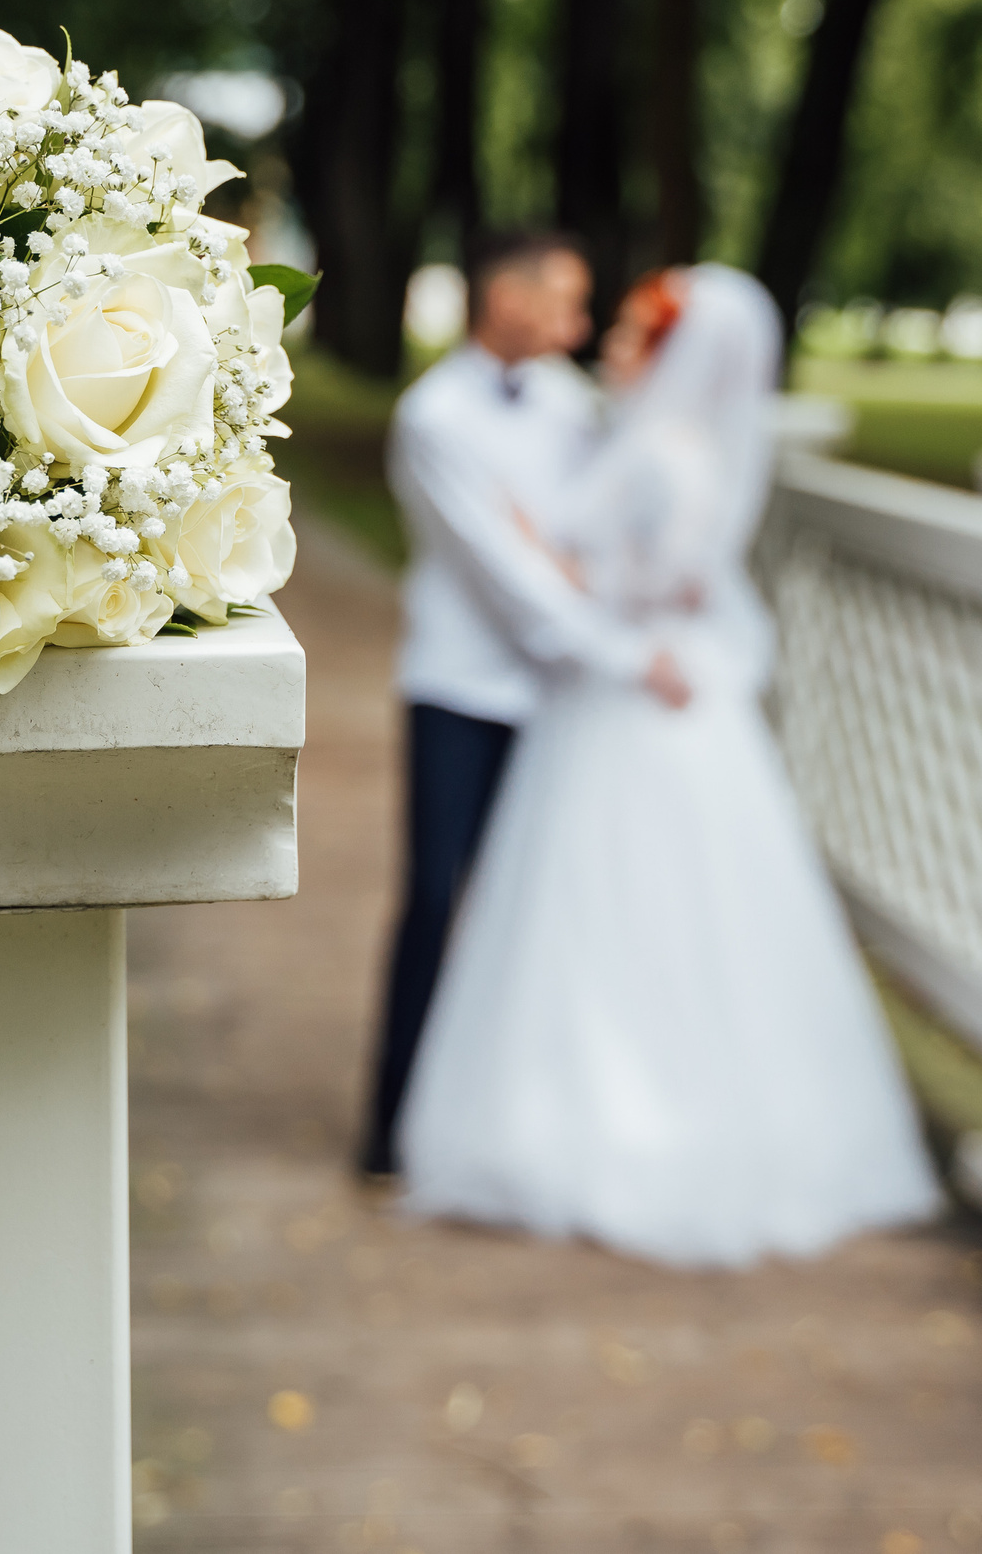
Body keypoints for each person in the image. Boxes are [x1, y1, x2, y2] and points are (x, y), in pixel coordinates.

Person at [395, 265, 942, 1268]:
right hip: (648, 690)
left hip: (629, 691)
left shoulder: (654, 452)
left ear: (666, 352)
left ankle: (619, 1117)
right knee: (674, 909)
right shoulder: (664, 442)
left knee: (609, 904)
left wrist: (550, 555)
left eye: (629, 330)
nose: (606, 340)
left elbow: (625, 577)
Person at [359, 230, 685, 1179]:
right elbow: (508, 577)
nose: (580, 325)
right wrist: (616, 644)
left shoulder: (569, 403)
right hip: (460, 688)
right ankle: (391, 1123)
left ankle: (515, 1116)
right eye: (567, 302)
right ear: (507, 297)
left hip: (560, 697)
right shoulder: (435, 417)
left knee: (536, 907)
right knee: (432, 896)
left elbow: (601, 527)